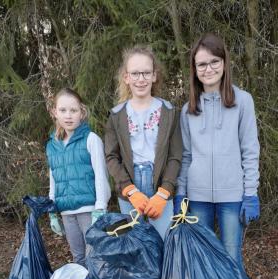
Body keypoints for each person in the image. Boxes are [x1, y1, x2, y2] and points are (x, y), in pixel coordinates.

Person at [175, 33, 261, 271]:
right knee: (202, 258)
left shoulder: (243, 101)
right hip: (198, 196)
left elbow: (250, 151)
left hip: (232, 196)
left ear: (224, 63)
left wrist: (250, 193)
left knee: (231, 257)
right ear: (194, 69)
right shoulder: (188, 110)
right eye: (201, 64)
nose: (208, 68)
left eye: (214, 61)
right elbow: (186, 156)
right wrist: (181, 193)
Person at [104, 46, 183, 240]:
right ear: (126, 77)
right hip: (130, 188)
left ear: (154, 75)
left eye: (146, 73)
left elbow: (175, 157)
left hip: (160, 186)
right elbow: (112, 157)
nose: (141, 79)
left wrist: (164, 193)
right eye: (135, 73)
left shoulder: (169, 112)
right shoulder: (116, 115)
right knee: (134, 247)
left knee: (163, 243)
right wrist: (130, 191)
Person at [45, 88, 110, 267]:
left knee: (95, 258)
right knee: (78, 258)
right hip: (67, 213)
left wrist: (100, 207)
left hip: (89, 211)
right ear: (54, 112)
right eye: (63, 110)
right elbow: (54, 177)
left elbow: (100, 175)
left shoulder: (91, 139)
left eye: (73, 110)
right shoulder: (52, 145)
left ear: (82, 112)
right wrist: (52, 210)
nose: (68, 116)